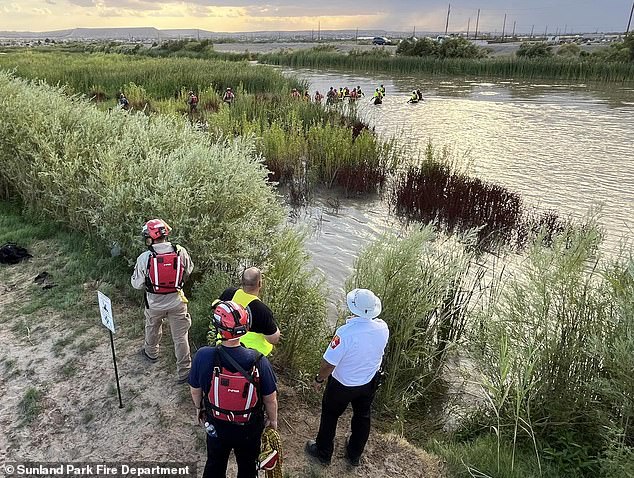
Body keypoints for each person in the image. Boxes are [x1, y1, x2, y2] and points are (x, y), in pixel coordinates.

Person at [189, 301, 278, 478]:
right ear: (245, 328)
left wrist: (199, 408)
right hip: (249, 427)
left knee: (215, 462)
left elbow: (195, 389)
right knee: (247, 466)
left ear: (219, 329)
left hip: (216, 423)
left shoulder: (204, 356)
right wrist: (273, 421)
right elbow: (270, 399)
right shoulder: (259, 360)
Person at [305, 289, 389, 467]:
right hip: (368, 382)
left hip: (342, 384)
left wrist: (319, 379)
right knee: (363, 416)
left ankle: (323, 453)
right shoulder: (383, 327)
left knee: (330, 415)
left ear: (353, 308)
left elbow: (328, 363)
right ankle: (354, 454)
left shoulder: (345, 333)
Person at [131, 219, 194, 384]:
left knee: (152, 327)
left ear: (150, 237)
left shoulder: (145, 257)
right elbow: (189, 270)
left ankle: (151, 353)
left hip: (154, 303)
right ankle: (184, 372)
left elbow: (137, 284)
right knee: (181, 337)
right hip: (177, 301)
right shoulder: (180, 251)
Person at [219, 267, 280, 356]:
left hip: (224, 347)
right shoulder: (262, 310)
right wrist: (276, 330)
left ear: (242, 281)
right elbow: (273, 339)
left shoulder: (229, 293)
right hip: (250, 356)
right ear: (260, 283)